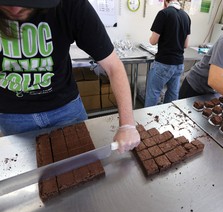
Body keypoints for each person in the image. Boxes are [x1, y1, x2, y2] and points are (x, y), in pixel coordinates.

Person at [0, 0, 140, 153]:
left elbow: (113, 66)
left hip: (65, 109)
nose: (14, 8)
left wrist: (128, 125)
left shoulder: (70, 4)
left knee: (83, 168)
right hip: (11, 115)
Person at [144, 0, 191, 107]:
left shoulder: (164, 13)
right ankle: (169, 120)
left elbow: (153, 41)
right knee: (173, 94)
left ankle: (148, 121)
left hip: (164, 63)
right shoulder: (186, 16)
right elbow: (186, 44)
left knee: (153, 93)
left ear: (165, 1)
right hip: (179, 64)